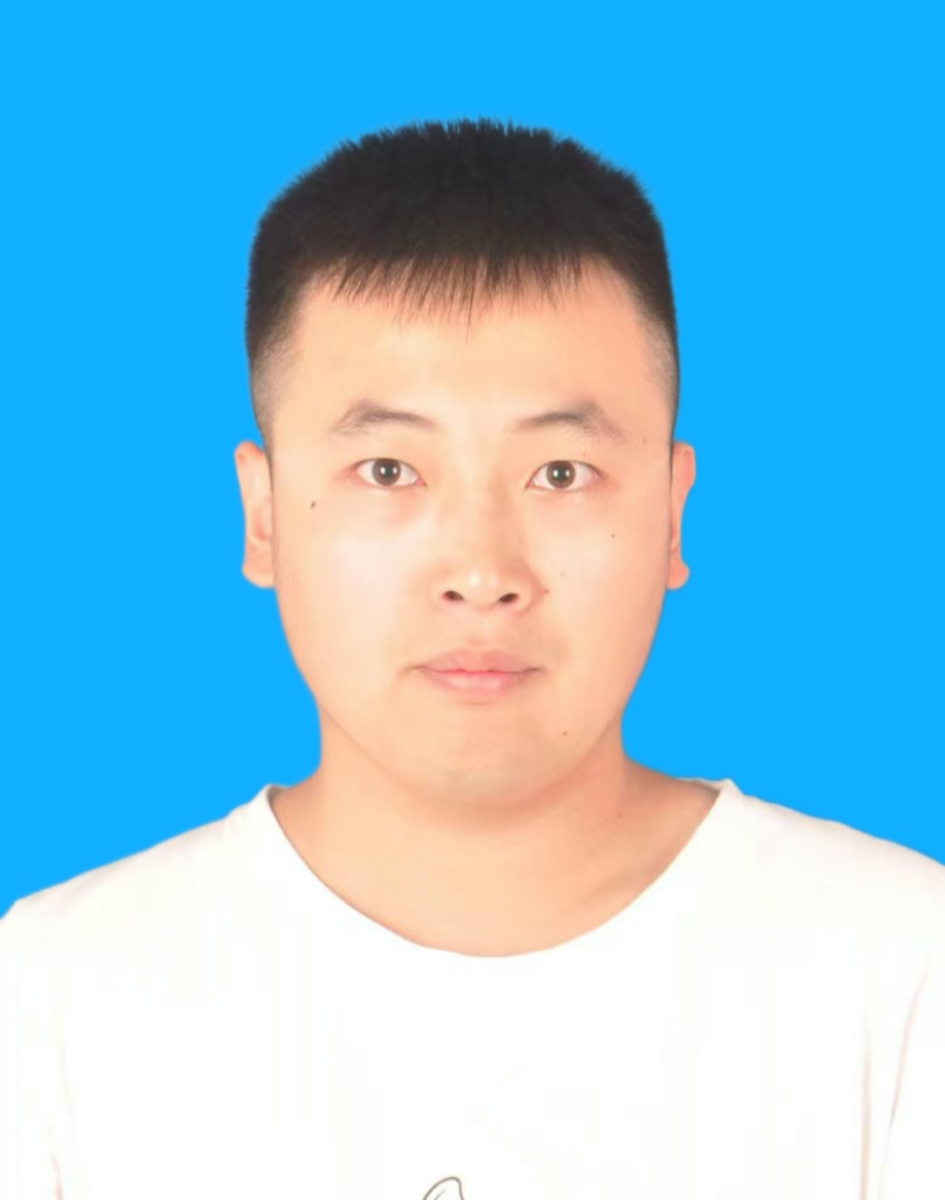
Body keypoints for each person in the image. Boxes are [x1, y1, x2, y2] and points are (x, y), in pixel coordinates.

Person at [2, 116, 942, 1200]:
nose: (482, 571)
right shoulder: (54, 996)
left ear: (673, 513)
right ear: (262, 516)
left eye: (560, 474)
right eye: (389, 471)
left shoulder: (905, 968)